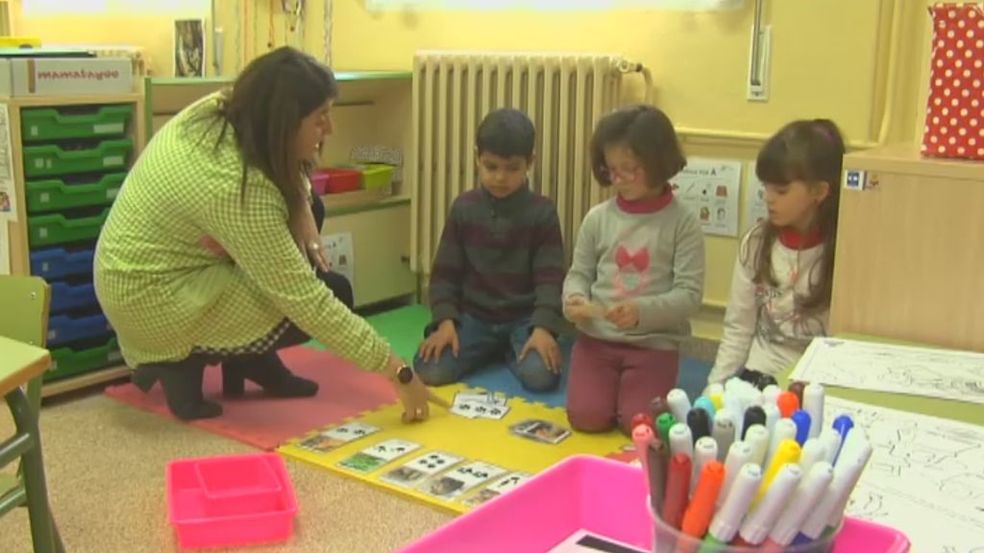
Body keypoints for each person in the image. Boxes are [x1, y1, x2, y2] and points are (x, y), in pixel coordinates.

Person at [93, 47, 445, 421]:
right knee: (334, 292)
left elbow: (288, 169)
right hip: (149, 298)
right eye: (320, 117)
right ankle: (183, 361)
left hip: (152, 264)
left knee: (312, 211)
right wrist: (396, 370)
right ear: (283, 122)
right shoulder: (235, 188)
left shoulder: (227, 109)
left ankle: (248, 356)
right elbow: (305, 301)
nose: (331, 128)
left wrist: (301, 205)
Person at [563, 105, 705, 435]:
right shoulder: (598, 217)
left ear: (658, 163)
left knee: (640, 425)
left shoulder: (682, 223)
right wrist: (573, 299)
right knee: (586, 417)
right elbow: (579, 272)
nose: (620, 179)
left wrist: (642, 312)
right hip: (597, 341)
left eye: (631, 169)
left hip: (653, 344)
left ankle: (637, 390)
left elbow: (689, 296)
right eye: (612, 170)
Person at [414, 108, 566, 392]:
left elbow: (550, 279)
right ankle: (493, 350)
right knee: (429, 369)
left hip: (524, 320)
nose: (500, 177)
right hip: (473, 318)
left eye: (512, 169)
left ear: (530, 163)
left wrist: (543, 327)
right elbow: (444, 274)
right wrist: (445, 322)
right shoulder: (464, 207)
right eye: (491, 167)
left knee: (541, 376)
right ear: (477, 158)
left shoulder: (542, 212)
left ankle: (509, 350)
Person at [706, 119, 846, 388]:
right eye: (766, 187)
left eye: (781, 190)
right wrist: (714, 389)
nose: (769, 198)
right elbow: (738, 328)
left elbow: (840, 342)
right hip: (762, 371)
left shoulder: (841, 249)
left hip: (816, 377)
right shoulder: (757, 243)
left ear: (819, 192)